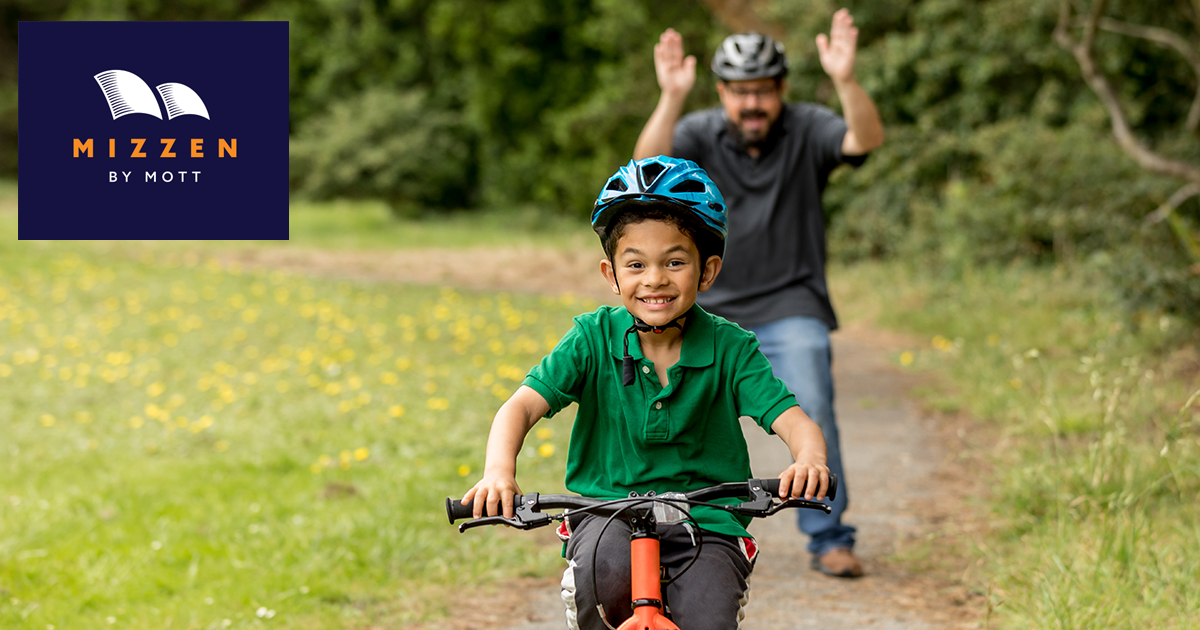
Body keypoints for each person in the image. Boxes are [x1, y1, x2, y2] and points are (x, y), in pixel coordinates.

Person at [460, 156, 831, 630]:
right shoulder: (591, 338)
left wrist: (808, 459)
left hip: (709, 520)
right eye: (635, 264)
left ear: (707, 270)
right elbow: (520, 407)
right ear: (611, 274)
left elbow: (793, 420)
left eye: (675, 262)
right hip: (605, 512)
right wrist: (498, 472)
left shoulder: (731, 348)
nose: (655, 279)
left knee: (708, 615)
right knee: (602, 577)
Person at [632, 9, 885, 578]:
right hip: (707, 309)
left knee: (812, 409)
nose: (752, 104)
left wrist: (845, 79)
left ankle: (827, 536)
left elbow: (864, 139)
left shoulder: (809, 127)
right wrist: (671, 96)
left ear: (781, 92)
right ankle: (678, 535)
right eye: (741, 92)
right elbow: (646, 165)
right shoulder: (698, 132)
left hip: (790, 304)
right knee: (675, 416)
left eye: (764, 92)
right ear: (721, 91)